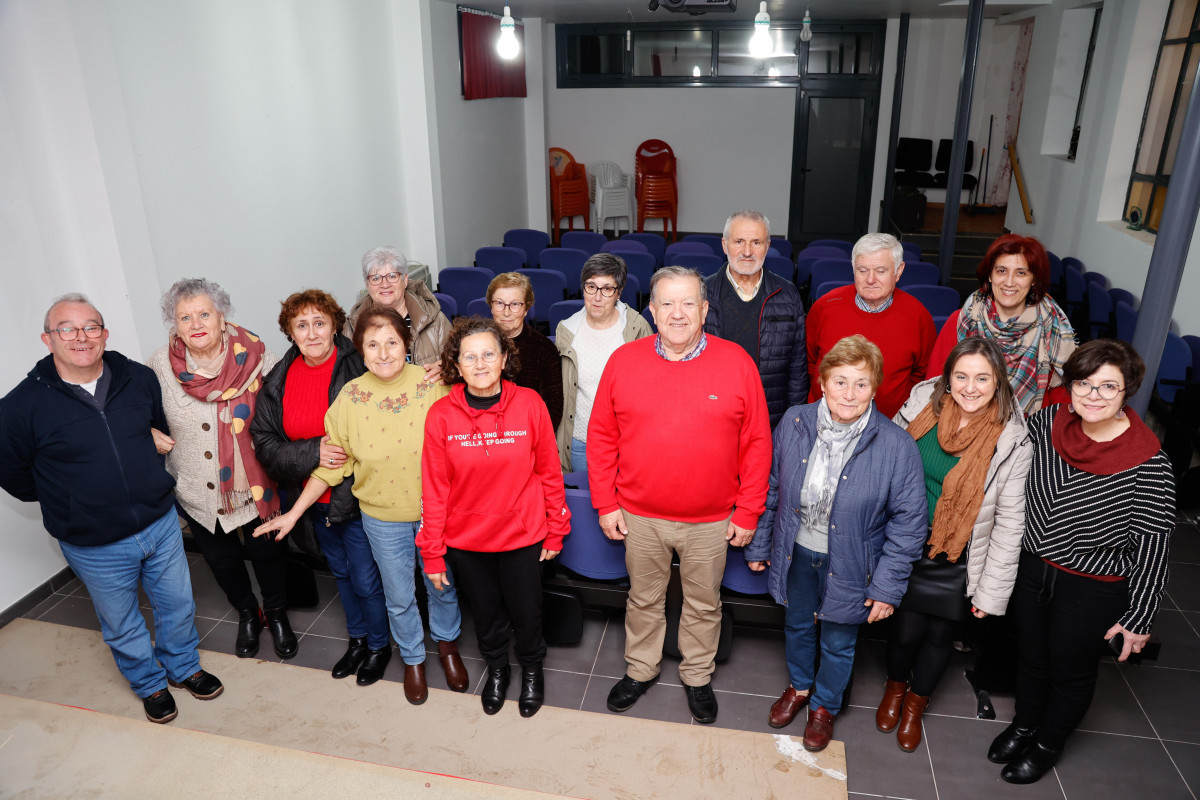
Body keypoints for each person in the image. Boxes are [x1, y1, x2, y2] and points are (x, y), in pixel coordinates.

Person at [0, 294, 222, 724]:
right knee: (121, 623)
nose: (81, 337)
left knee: (177, 603)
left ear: (105, 334)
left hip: (158, 522)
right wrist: (70, 499)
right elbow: (15, 476)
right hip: (94, 541)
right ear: (48, 339)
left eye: (91, 327)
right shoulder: (19, 407)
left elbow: (153, 428)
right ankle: (150, 684)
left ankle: (183, 667)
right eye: (67, 328)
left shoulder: (137, 378)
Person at [587, 267, 772, 725]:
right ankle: (640, 669)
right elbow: (601, 437)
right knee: (643, 598)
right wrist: (606, 504)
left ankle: (697, 676)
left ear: (706, 311)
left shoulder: (737, 363)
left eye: (688, 303)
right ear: (650, 310)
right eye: (666, 303)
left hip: (711, 519)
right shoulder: (624, 361)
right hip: (640, 515)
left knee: (704, 603)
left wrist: (748, 511)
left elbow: (757, 443)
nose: (677, 313)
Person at [254, 307, 466, 705]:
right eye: (372, 344)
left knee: (442, 587)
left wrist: (452, 364)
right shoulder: (350, 397)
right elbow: (332, 466)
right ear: (360, 351)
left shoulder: (433, 384)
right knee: (399, 595)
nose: (383, 353)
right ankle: (414, 659)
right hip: (381, 519)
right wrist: (294, 513)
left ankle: (448, 647)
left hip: (436, 515)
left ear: (406, 345)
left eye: (391, 343)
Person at [988, 339, 1174, 784]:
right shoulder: (1048, 422)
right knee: (1031, 656)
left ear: (1127, 390)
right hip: (1033, 568)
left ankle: (1049, 743)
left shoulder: (1149, 463)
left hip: (1093, 584)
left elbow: (1153, 549)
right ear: (1069, 387)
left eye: (1107, 386)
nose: (1094, 395)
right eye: (1084, 384)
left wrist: (1140, 617)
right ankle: (1025, 725)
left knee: (1069, 668)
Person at [746, 334, 926, 752]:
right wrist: (758, 547)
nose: (849, 393)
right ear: (823, 382)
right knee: (796, 625)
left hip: (854, 563)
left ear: (875, 388)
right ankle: (800, 688)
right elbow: (772, 488)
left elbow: (909, 525)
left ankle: (824, 707)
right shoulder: (794, 421)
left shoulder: (896, 446)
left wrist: (886, 587)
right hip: (798, 552)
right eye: (840, 381)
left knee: (840, 641)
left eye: (861, 383)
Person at [878, 337, 1032, 753]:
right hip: (906, 543)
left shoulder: (1013, 439)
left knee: (939, 637)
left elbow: (1009, 521)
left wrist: (991, 592)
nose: (970, 387)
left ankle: (915, 704)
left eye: (982, 378)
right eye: (961, 376)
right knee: (905, 630)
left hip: (960, 554)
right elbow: (882, 459)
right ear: (948, 378)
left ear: (998, 382)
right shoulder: (922, 405)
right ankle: (895, 689)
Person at [419, 317, 569, 719]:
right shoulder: (440, 416)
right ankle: (498, 671)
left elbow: (549, 474)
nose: (480, 364)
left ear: (504, 359)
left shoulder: (530, 404)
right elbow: (434, 490)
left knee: (527, 614)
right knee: (485, 617)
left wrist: (556, 531)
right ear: (457, 364)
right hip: (468, 541)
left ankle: (532, 671)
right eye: (470, 357)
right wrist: (432, 554)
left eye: (489, 354)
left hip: (523, 536)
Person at [146, 279, 295, 661]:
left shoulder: (260, 356)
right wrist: (148, 431)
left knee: (267, 555)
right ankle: (249, 613)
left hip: (253, 485)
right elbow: (136, 410)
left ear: (222, 316)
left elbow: (287, 408)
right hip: (196, 488)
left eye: (204, 314)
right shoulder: (160, 365)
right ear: (174, 324)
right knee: (222, 560)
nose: (196, 323)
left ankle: (277, 613)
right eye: (185, 317)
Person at [249, 289, 392, 685]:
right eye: (301, 325)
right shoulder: (278, 378)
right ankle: (358, 640)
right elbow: (265, 444)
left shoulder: (360, 364)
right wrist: (314, 451)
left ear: (334, 326)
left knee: (365, 576)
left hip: (358, 494)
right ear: (290, 332)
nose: (311, 333)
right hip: (312, 501)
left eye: (319, 323)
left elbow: (382, 428)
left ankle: (380, 646)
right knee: (342, 575)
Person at [926, 234, 1077, 415]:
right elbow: (935, 384)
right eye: (1001, 271)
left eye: (1021, 272)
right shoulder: (963, 320)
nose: (1009, 282)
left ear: (1034, 280)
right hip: (962, 420)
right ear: (990, 275)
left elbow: (1063, 400)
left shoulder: (1052, 326)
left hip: (1028, 430)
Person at [806, 233, 935, 417]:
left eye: (881, 271)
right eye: (863, 270)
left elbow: (922, 376)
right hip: (824, 421)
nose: (871, 279)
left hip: (892, 428)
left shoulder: (918, 316)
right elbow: (810, 363)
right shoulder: (825, 306)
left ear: (898, 271)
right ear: (853, 269)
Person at [703, 210, 808, 427]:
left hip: (771, 418)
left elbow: (797, 367)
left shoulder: (787, 293)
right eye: (739, 241)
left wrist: (794, 421)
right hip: (712, 416)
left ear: (767, 246)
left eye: (756, 243)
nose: (747, 251)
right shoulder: (702, 293)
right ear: (724, 245)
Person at [555, 253, 653, 472]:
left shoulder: (637, 329)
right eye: (591, 287)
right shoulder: (567, 330)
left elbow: (650, 391)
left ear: (618, 293)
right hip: (580, 440)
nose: (597, 297)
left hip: (625, 443)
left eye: (607, 288)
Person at [343, 245, 450, 384]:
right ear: (366, 284)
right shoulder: (351, 327)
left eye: (392, 276)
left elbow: (459, 363)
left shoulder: (435, 320)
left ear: (405, 280)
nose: (385, 284)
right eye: (376, 278)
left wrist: (447, 369)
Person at [487, 272, 563, 429]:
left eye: (515, 304)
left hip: (529, 436)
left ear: (526, 308)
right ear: (491, 306)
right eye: (500, 303)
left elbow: (553, 410)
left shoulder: (544, 349)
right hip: (483, 435)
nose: (506, 312)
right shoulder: (474, 345)